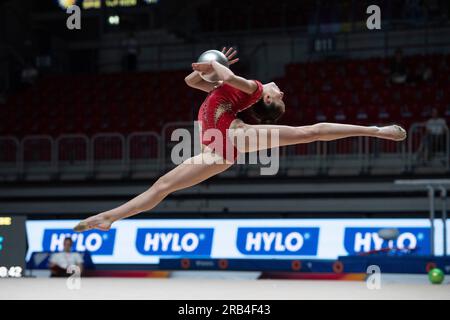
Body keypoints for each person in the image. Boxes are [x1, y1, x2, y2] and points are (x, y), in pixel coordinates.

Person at [73, 47, 407, 232]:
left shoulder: (255, 89)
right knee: (162, 186)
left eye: (280, 97)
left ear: (267, 101)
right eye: (281, 94)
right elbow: (192, 81)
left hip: (235, 136)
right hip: (216, 151)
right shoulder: (228, 93)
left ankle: (375, 130)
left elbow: (229, 77)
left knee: (310, 132)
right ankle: (109, 218)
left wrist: (217, 67)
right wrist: (208, 68)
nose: (281, 90)